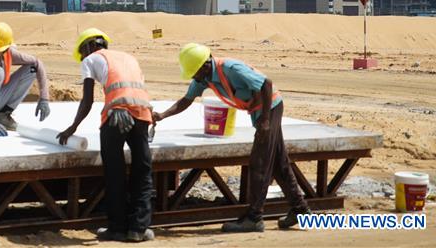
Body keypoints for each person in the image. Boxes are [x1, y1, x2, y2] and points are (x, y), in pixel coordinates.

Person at [153, 43, 311, 232]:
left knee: (259, 162)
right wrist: (162, 116)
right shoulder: (204, 77)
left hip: (271, 108)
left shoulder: (230, 68)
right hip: (258, 112)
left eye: (195, 73)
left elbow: (266, 83)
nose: (194, 78)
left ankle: (254, 218)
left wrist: (266, 119)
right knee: (278, 163)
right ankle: (300, 209)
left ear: (205, 65)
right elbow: (186, 100)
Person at [57, 28, 155, 243]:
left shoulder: (91, 59)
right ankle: (138, 229)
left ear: (89, 46)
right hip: (142, 113)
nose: (83, 57)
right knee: (143, 171)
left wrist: (72, 127)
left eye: (82, 53)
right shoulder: (129, 57)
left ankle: (117, 229)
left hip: (116, 116)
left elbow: (88, 100)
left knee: (115, 172)